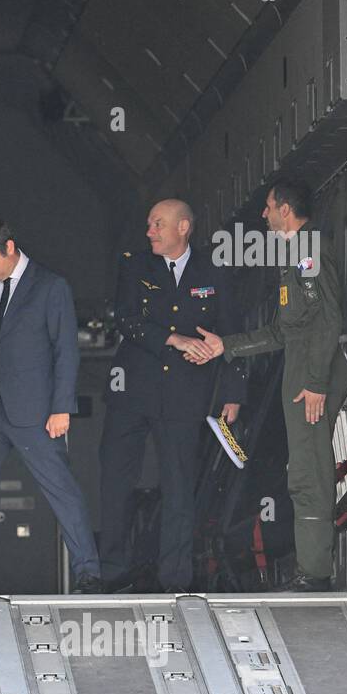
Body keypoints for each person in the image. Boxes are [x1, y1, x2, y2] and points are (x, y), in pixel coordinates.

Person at [193, 179, 347, 591]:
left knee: (308, 473)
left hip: (309, 378)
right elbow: (281, 333)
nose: (262, 215)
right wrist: (225, 346)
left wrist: (315, 382)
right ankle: (311, 568)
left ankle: (315, 574)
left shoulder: (309, 251)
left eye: (267, 207)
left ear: (285, 210)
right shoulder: (294, 256)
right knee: (301, 470)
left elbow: (329, 318)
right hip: (300, 372)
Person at [98, 199, 247, 592]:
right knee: (116, 482)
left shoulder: (212, 269)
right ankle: (111, 574)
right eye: (149, 224)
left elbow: (232, 332)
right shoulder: (134, 265)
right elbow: (126, 319)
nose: (150, 232)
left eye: (158, 225)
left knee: (179, 489)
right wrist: (172, 338)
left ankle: (175, 580)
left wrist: (232, 392)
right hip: (132, 392)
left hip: (185, 395)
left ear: (183, 227)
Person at [0, 218, 101, 594]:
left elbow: (65, 350)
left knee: (61, 491)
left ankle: (88, 572)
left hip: (36, 413)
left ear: (10, 248)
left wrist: (61, 407)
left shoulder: (51, 287)